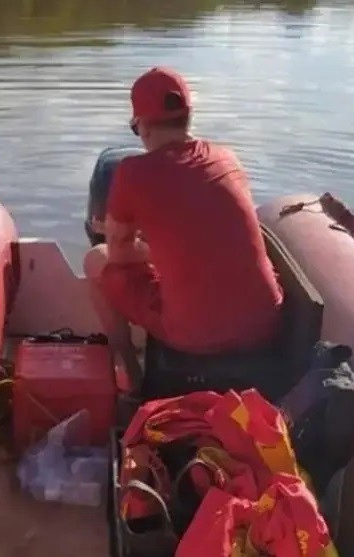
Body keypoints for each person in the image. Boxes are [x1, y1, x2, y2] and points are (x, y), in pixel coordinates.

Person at [83, 66, 284, 395]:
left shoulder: (133, 172)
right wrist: (161, 248)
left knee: (96, 260)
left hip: (196, 337)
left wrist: (147, 248)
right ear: (188, 116)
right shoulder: (228, 159)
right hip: (265, 326)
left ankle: (129, 373)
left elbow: (119, 254)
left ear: (143, 127)